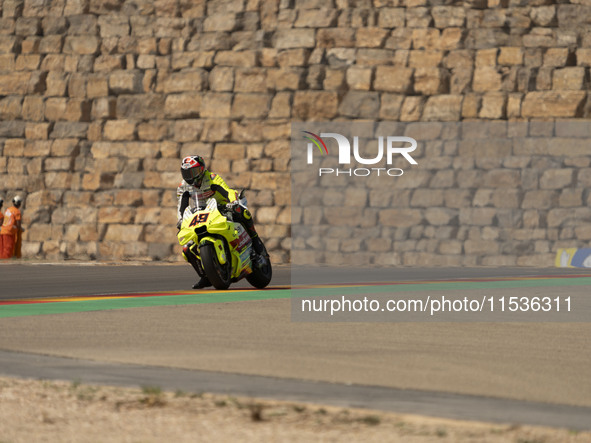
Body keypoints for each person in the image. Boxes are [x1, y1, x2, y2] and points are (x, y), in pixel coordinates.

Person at [177, 155, 266, 289]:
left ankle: (256, 241)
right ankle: (206, 276)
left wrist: (233, 202)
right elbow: (181, 207)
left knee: (243, 212)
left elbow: (227, 191)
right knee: (187, 250)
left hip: (221, 208)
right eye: (186, 173)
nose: (190, 176)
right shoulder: (183, 187)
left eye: (193, 172)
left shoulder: (212, 178)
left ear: (201, 170)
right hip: (201, 214)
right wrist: (181, 220)